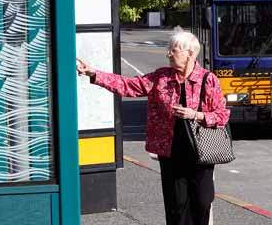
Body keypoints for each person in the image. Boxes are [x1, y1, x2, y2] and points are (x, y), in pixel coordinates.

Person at [76, 27, 230, 225]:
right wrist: (94, 74)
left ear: (190, 53)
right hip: (171, 153)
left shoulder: (208, 80)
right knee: (176, 207)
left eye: (173, 50)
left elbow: (222, 115)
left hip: (200, 153)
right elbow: (128, 85)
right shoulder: (161, 78)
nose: (168, 53)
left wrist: (196, 115)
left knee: (202, 202)